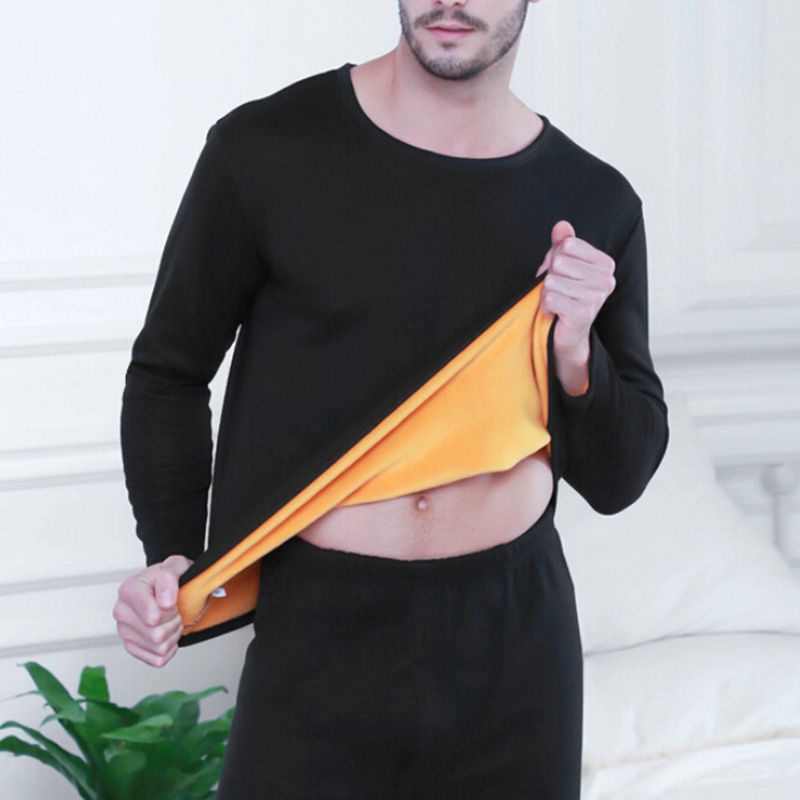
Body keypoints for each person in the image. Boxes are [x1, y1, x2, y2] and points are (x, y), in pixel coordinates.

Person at [113, 0, 669, 796]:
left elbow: (622, 476)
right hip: (320, 630)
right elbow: (169, 369)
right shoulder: (265, 148)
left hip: (517, 642)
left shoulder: (594, 199)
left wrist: (577, 352)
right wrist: (170, 551)